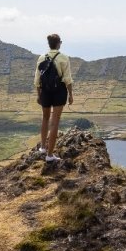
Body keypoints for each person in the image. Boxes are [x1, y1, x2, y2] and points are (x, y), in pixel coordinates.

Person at [33, 33, 74, 162]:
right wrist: (71, 95)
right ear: (59, 43)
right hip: (59, 92)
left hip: (45, 91)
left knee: (45, 118)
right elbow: (67, 79)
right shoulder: (63, 58)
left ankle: (43, 148)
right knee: (55, 121)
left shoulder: (41, 58)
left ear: (49, 44)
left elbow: (37, 80)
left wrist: (39, 95)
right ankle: (50, 156)